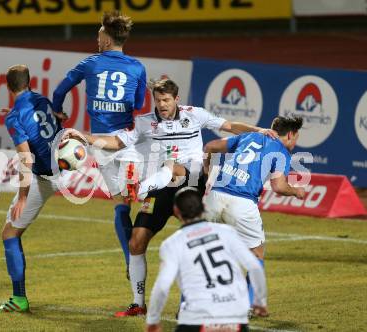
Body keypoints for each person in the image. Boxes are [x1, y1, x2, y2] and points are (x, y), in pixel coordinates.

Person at [78, 78, 275, 316]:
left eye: (166, 100)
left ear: (176, 99)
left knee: (196, 242)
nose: (161, 105)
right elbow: (116, 142)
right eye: (158, 100)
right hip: (163, 188)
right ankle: (138, 304)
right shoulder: (145, 123)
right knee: (136, 242)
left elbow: (230, 126)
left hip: (192, 185)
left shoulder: (195, 115)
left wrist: (260, 131)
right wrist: (85, 137)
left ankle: (197, 302)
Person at [52, 11, 147, 272]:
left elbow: (59, 90)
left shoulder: (90, 63)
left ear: (106, 39)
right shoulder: (137, 67)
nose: (97, 37)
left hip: (101, 146)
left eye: (99, 33)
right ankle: (136, 255)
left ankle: (131, 260)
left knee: (121, 205)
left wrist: (59, 111)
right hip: (126, 143)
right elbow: (138, 104)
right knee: (139, 199)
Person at [203, 116, 305, 306]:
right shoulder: (281, 151)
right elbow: (279, 186)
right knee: (256, 255)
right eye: (297, 135)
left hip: (214, 198)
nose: (296, 140)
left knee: (203, 252)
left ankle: (189, 304)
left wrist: (206, 172)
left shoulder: (249, 136)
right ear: (290, 134)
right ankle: (248, 306)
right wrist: (296, 191)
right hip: (242, 203)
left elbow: (210, 146)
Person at [0, 65, 64, 313]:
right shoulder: (40, 98)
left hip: (43, 177)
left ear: (8, 87)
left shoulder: (14, 118)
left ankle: (19, 299)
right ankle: (18, 297)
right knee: (12, 232)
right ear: (29, 83)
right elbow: (52, 121)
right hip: (60, 167)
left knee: (9, 233)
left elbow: (26, 159)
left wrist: (23, 196)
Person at [145, 187, 268, 332]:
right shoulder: (227, 232)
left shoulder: (172, 243)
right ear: (204, 207)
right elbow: (255, 266)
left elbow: (162, 286)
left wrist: (153, 319)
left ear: (176, 211)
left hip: (197, 319)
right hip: (235, 318)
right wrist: (259, 301)